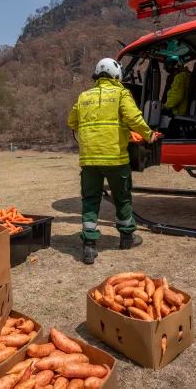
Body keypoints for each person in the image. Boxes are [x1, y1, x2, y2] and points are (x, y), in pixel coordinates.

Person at [67, 58, 159, 265]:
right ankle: (127, 238)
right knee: (122, 198)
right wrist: (149, 134)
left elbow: (71, 121)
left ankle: (89, 246)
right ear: (116, 75)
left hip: (89, 161)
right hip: (116, 159)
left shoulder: (83, 96)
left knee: (90, 200)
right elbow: (134, 119)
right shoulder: (121, 93)